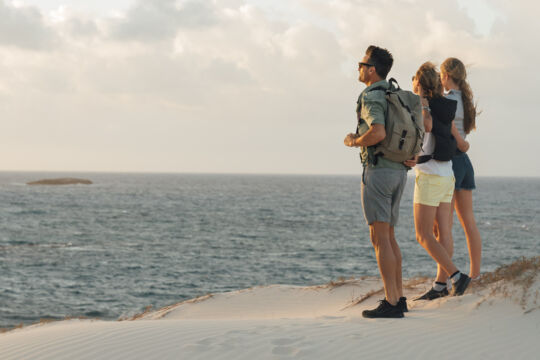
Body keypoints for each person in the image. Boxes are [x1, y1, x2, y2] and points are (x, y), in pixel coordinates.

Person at [343, 45, 409, 318]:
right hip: (398, 171)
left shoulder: (371, 95)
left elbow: (378, 132)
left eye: (361, 63)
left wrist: (354, 141)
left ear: (372, 69)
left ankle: (392, 302)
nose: (358, 67)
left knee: (379, 238)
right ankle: (399, 297)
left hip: (379, 171)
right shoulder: (394, 92)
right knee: (390, 237)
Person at [405, 62, 471, 301]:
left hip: (430, 176)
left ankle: (455, 276)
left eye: (414, 79)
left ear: (420, 84)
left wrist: (422, 101)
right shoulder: (445, 106)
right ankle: (440, 285)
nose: (411, 82)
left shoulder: (425, 105)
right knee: (443, 233)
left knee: (423, 235)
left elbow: (427, 125)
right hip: (446, 173)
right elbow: (446, 136)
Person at [441, 58, 482, 280]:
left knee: (445, 227)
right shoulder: (466, 101)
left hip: (451, 162)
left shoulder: (447, 101)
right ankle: (475, 275)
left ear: (446, 76)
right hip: (465, 162)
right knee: (469, 222)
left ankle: (446, 278)